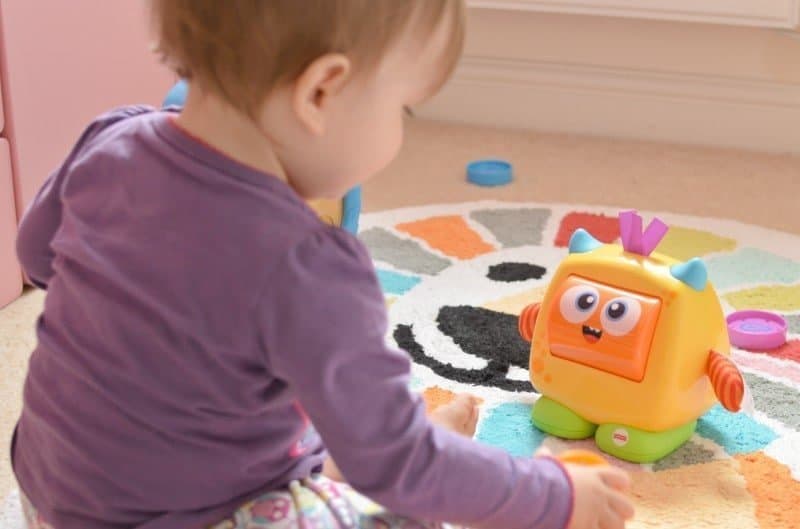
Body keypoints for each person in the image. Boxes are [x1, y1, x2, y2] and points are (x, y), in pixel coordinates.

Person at [12, 2, 635, 528]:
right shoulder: (306, 263)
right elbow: (399, 469)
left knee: (284, 411)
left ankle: (337, 458)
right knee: (404, 504)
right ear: (319, 92)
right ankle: (349, 464)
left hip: (49, 496)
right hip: (200, 515)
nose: (398, 132)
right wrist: (552, 496)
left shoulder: (111, 141)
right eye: (404, 110)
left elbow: (38, 259)